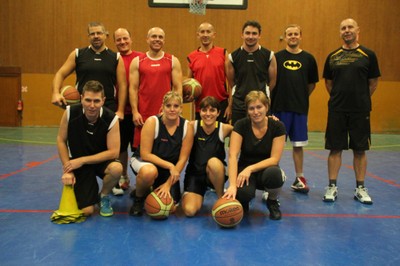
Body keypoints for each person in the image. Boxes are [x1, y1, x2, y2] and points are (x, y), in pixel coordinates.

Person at [322, 18, 380, 204]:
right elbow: (328, 83)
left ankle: (360, 188)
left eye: (350, 27)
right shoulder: (332, 56)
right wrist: (340, 98)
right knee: (335, 148)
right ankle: (332, 186)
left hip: (360, 111)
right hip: (337, 110)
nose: (347, 30)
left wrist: (360, 99)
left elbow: (373, 83)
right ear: (340, 32)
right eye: (343, 28)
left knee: (360, 150)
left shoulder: (368, 55)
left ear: (357, 30)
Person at [57, 80, 122, 217]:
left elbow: (114, 152)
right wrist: (67, 169)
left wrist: (82, 160)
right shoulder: (70, 113)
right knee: (87, 211)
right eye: (88, 100)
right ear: (81, 98)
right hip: (79, 165)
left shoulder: (111, 118)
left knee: (116, 168)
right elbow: (61, 140)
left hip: (99, 162)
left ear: (103, 101)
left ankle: (103, 196)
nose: (92, 105)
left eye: (96, 101)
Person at [271, 24, 319, 194]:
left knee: (298, 145)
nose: (293, 36)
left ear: (300, 36)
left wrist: (299, 97)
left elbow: (311, 84)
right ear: (284, 37)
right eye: (289, 34)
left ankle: (299, 178)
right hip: (278, 108)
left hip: (299, 109)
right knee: (275, 146)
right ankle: (272, 180)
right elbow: (270, 82)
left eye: (296, 34)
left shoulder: (309, 59)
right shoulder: (276, 57)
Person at [223, 91, 286, 220]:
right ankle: (243, 202)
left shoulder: (277, 127)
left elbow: (274, 159)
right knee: (243, 194)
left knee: (275, 175)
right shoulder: (241, 125)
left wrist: (250, 168)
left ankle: (272, 201)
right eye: (251, 108)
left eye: (259, 107)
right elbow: (233, 156)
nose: (256, 112)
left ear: (266, 107)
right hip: (244, 173)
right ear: (247, 110)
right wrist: (232, 185)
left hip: (266, 170)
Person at [129, 91, 194, 216]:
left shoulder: (187, 127)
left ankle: (148, 188)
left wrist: (168, 184)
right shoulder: (152, 122)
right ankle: (138, 198)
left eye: (176, 106)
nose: (172, 109)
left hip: (168, 170)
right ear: (162, 107)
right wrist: (170, 166)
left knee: (169, 208)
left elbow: (183, 159)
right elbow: (145, 154)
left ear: (181, 109)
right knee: (149, 172)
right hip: (145, 162)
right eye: (168, 106)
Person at [52, 22, 127, 119]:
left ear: (105, 35)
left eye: (99, 33)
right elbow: (60, 74)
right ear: (88, 36)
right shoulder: (78, 54)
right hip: (82, 106)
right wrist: (55, 93)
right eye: (92, 34)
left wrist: (120, 110)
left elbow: (122, 85)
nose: (96, 36)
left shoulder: (116, 57)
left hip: (107, 107)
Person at [129, 27, 183, 151]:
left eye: (160, 37)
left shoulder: (172, 60)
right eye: (154, 36)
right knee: (142, 151)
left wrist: (175, 109)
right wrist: (135, 111)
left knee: (165, 150)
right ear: (147, 39)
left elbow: (178, 87)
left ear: (164, 41)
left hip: (166, 113)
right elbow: (133, 88)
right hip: (143, 114)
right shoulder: (137, 61)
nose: (157, 39)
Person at [181, 96, 233, 217]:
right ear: (200, 112)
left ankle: (220, 198)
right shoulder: (192, 126)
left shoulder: (224, 128)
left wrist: (269, 120)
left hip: (214, 173)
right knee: (189, 211)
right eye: (204, 110)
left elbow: (245, 130)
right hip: (195, 174)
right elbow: (175, 125)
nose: (208, 114)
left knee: (213, 162)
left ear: (218, 112)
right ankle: (194, 194)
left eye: (212, 110)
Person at [111, 28, 144, 196]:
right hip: (120, 112)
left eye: (125, 38)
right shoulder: (112, 59)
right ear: (114, 42)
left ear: (131, 39)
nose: (122, 42)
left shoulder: (141, 58)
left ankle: (142, 180)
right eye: (118, 39)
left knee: (139, 147)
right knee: (121, 148)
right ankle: (123, 176)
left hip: (139, 111)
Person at [227, 20, 277, 125]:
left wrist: (263, 95)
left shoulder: (269, 55)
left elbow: (272, 82)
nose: (250, 36)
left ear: (259, 35)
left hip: (260, 105)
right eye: (247, 33)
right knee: (238, 136)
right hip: (239, 105)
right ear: (242, 35)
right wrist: (231, 105)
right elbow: (231, 83)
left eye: (254, 33)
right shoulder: (232, 57)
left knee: (261, 137)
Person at [187, 22, 232, 123]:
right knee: (201, 137)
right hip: (201, 106)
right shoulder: (191, 57)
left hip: (221, 104)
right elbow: (188, 84)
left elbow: (231, 83)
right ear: (198, 35)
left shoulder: (223, 53)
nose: (205, 34)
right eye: (202, 32)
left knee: (221, 136)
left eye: (208, 31)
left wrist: (230, 106)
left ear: (214, 35)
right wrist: (188, 95)